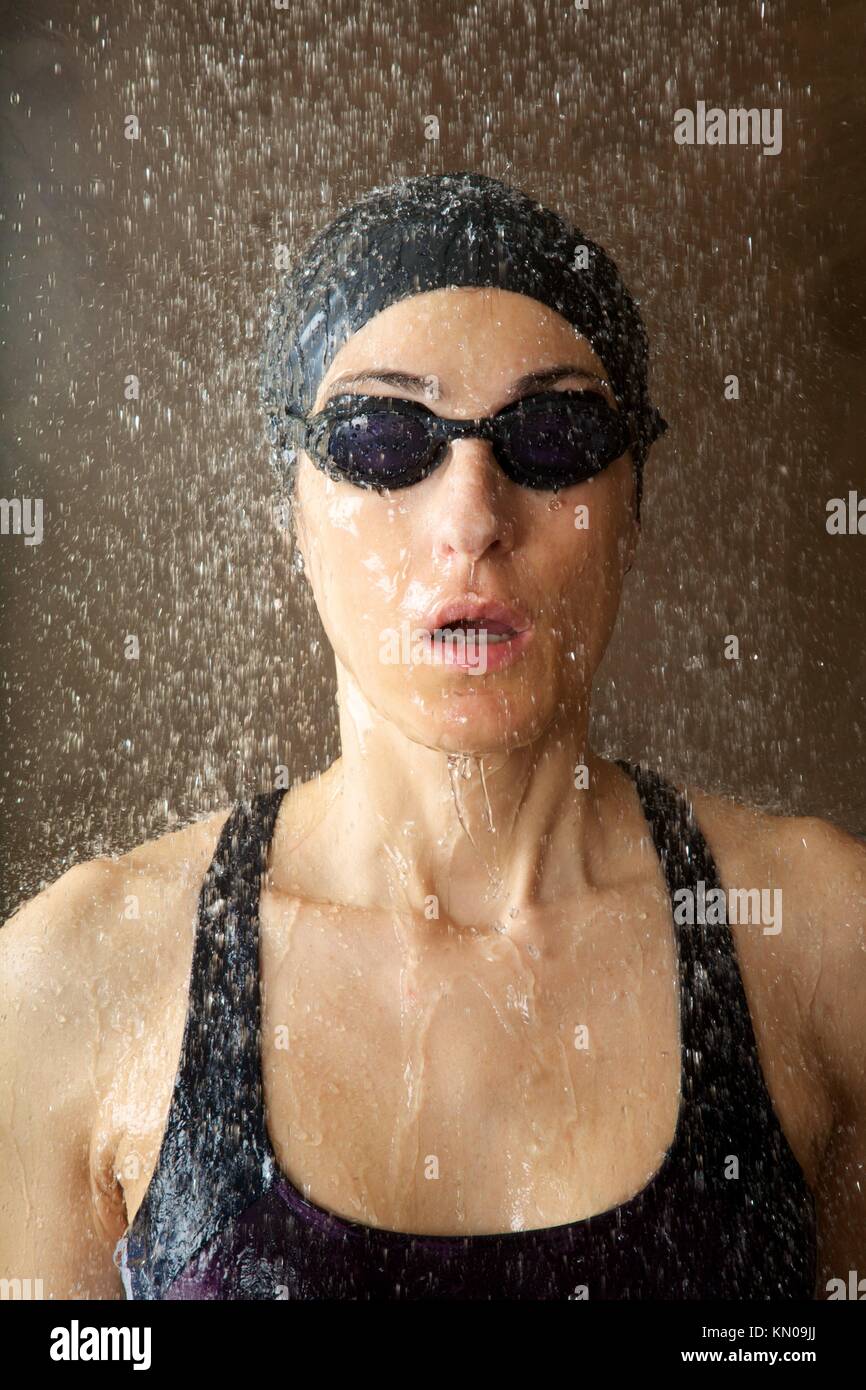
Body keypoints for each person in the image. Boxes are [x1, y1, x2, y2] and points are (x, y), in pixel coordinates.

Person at [1, 171, 863, 1300]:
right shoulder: (78, 982)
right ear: (290, 515)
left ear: (633, 507)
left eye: (551, 434)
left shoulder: (818, 946)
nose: (469, 519)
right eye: (378, 437)